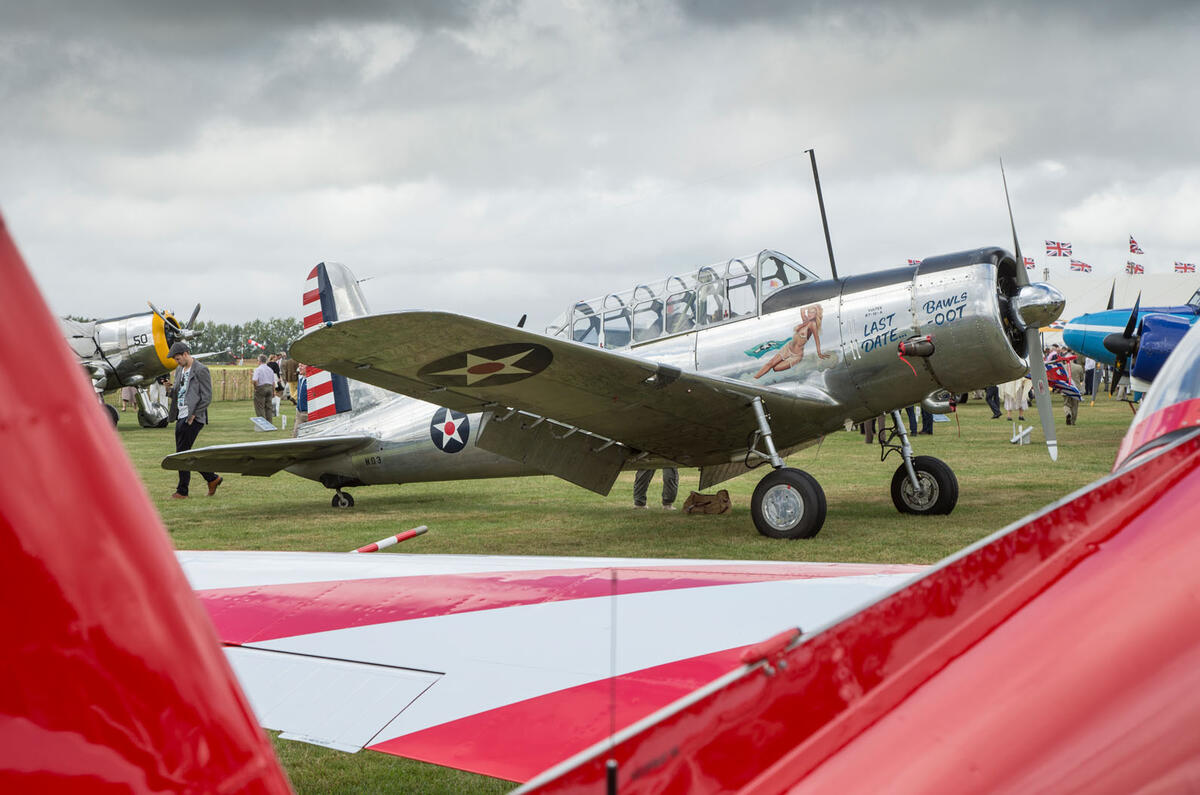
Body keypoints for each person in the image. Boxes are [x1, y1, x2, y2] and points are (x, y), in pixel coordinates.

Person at [167, 342, 221, 498]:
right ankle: (212, 478)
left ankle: (182, 491)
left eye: (178, 358)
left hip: (193, 418)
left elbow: (207, 397)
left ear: (186, 354)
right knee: (184, 454)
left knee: (182, 454)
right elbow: (178, 393)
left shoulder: (201, 369)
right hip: (181, 415)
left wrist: (194, 415)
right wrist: (168, 390)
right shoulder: (179, 369)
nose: (177, 362)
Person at [753, 304, 832, 379]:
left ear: (816, 314)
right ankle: (754, 379)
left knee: (776, 368)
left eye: (813, 312)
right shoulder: (805, 321)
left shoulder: (813, 325)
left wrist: (819, 353)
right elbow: (802, 310)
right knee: (770, 363)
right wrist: (811, 306)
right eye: (809, 312)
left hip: (796, 355)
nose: (810, 314)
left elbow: (817, 339)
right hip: (787, 348)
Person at [251, 353, 276, 422]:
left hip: (261, 387)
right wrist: (274, 391)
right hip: (270, 387)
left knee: (260, 407)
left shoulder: (258, 369)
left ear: (259, 361)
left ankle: (263, 423)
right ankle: (269, 423)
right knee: (268, 407)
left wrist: (256, 388)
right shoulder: (270, 369)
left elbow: (255, 380)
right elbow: (273, 382)